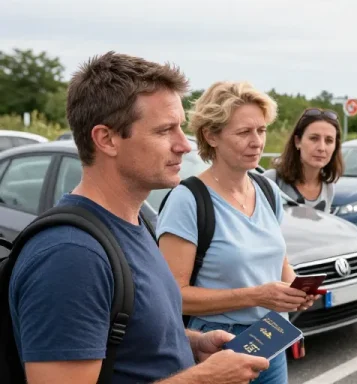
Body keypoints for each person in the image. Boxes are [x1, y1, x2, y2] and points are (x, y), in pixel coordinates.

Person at [8, 52, 269, 384]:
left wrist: (193, 343)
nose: (184, 146)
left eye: (180, 129)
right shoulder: (70, 257)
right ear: (107, 139)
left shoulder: (134, 223)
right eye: (164, 131)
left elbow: (128, 336)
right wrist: (202, 380)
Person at [156, 81, 320, 384]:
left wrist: (295, 289)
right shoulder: (188, 200)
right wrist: (256, 296)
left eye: (261, 130)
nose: (257, 141)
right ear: (211, 135)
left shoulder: (266, 189)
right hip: (216, 345)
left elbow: (279, 261)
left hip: (273, 337)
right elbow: (171, 298)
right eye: (244, 132)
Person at [263, 108, 343, 213]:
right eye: (314, 138)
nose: (322, 148)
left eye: (329, 140)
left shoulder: (328, 188)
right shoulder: (270, 180)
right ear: (297, 141)